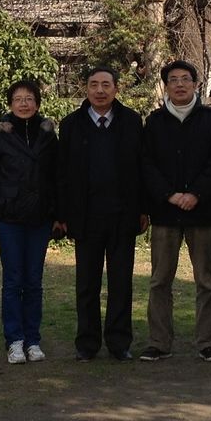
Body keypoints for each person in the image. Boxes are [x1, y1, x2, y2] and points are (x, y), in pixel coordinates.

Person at [141, 60, 211, 362]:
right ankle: (159, 342)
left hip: (201, 212)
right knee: (159, 280)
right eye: (173, 80)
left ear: (196, 84)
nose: (180, 84)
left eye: (185, 79)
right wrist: (169, 195)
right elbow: (147, 164)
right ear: (166, 86)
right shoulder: (154, 121)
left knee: (206, 281)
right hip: (165, 213)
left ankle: (207, 342)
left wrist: (196, 194)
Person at [57, 66, 145, 361]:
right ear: (86, 88)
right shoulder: (71, 124)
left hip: (123, 215)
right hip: (86, 217)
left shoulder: (132, 121)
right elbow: (62, 174)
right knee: (87, 284)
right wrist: (63, 214)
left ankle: (119, 342)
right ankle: (87, 343)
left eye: (106, 84)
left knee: (121, 283)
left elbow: (141, 169)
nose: (100, 90)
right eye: (94, 84)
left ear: (116, 89)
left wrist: (143, 209)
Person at [0, 80, 58, 364]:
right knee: (13, 280)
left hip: (40, 217)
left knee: (34, 280)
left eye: (29, 98)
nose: (24, 104)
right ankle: (14, 340)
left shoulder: (48, 134)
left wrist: (59, 215)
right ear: (10, 104)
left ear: (37, 102)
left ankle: (33, 340)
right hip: (8, 217)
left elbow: (57, 177)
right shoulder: (0, 136)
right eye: (18, 99)